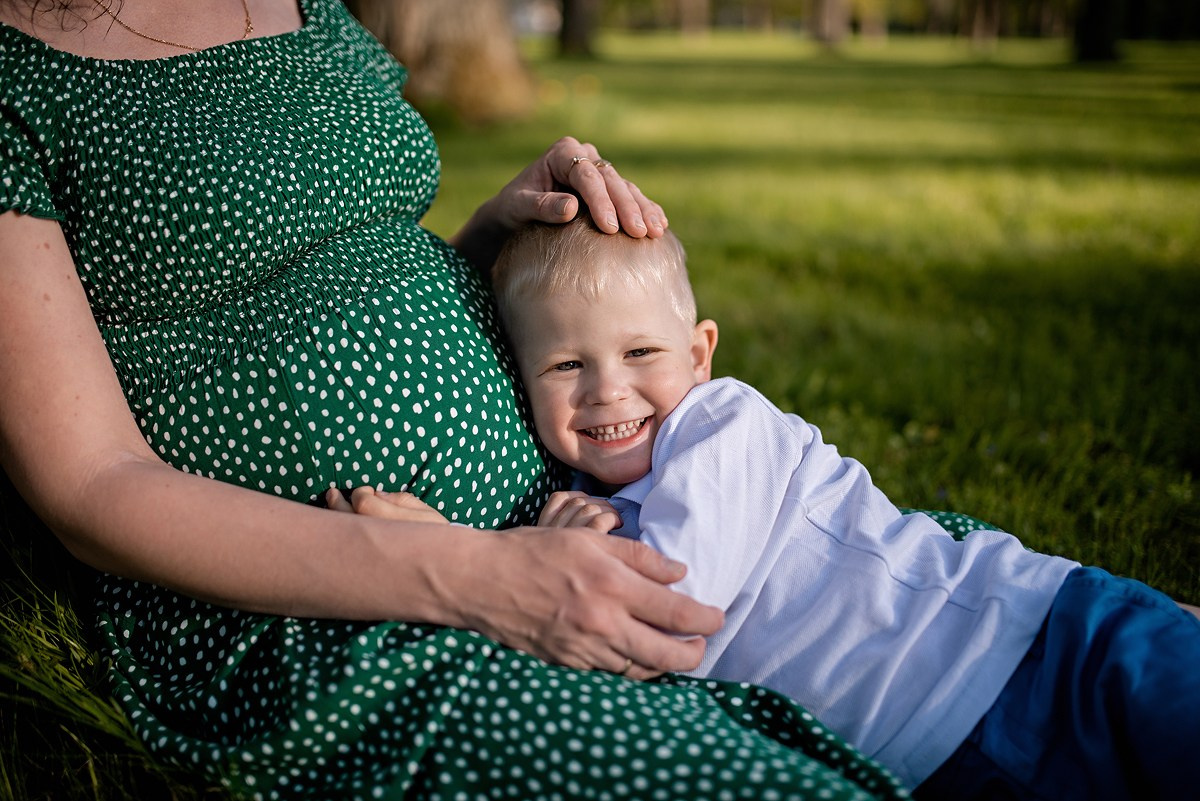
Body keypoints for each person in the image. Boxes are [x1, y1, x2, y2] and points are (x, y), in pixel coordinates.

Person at [0, 0, 911, 798]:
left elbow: (354, 246)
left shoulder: (302, 3)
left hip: (568, 516)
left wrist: (492, 233)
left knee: (934, 661)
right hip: (334, 610)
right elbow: (91, 485)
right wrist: (479, 575)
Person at [473, 212, 1199, 800]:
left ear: (699, 354)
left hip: (1037, 654)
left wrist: (558, 561)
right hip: (940, 742)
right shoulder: (584, 498)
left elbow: (667, 609)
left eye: (639, 353)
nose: (607, 389)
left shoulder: (718, 424)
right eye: (567, 364)